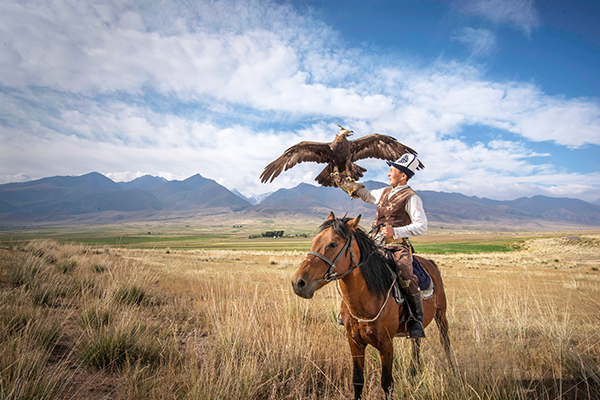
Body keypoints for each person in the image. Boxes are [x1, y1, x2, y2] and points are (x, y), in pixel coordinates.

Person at [333, 153, 427, 339]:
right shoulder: (385, 191)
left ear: (403, 176)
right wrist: (345, 184)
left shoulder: (412, 197)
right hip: (374, 244)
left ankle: (415, 319)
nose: (388, 174)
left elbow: (422, 225)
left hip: (397, 246)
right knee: (354, 266)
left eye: (392, 171)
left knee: (406, 275)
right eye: (389, 170)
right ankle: (348, 310)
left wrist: (396, 232)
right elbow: (367, 195)